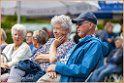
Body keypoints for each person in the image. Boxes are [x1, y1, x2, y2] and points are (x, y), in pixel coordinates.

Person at [39, 12, 109, 82]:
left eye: (80, 23)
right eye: (76, 24)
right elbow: (66, 62)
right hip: (65, 77)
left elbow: (83, 70)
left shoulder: (94, 44)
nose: (77, 26)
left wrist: (57, 67)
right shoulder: (82, 43)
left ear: (90, 25)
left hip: (71, 79)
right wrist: (54, 69)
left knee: (41, 80)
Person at [7, 15, 75, 82]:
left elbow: (54, 60)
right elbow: (36, 57)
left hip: (42, 73)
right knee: (16, 68)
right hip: (33, 69)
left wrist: (53, 46)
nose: (54, 31)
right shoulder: (51, 40)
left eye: (58, 28)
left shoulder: (70, 45)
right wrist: (51, 55)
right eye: (54, 28)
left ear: (67, 30)